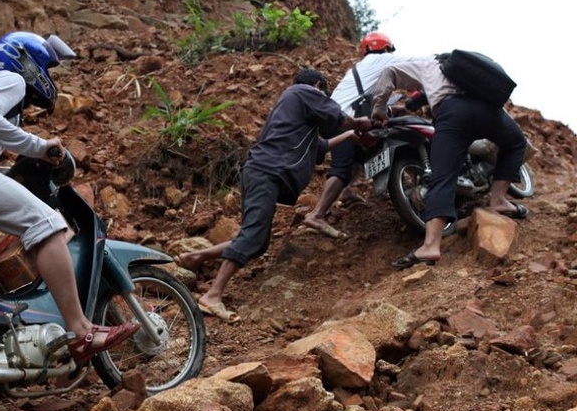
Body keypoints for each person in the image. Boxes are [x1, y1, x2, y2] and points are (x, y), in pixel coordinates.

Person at [0, 31, 139, 363]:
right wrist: (39, 147)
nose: (50, 76)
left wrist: (13, 172)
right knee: (45, 223)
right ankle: (80, 329)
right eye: (48, 67)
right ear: (29, 63)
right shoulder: (10, 80)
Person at [176, 68, 372, 322]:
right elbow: (337, 116)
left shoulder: (297, 115)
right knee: (252, 237)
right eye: (324, 91)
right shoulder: (304, 91)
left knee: (257, 241)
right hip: (266, 172)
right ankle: (212, 295)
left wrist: (347, 136)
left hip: (261, 171)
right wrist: (358, 123)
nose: (324, 96)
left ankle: (195, 257)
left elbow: (320, 146)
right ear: (317, 84)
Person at [368, 54, 528, 269]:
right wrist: (413, 103)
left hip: (452, 113)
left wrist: (378, 109)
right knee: (517, 143)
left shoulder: (427, 64)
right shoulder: (463, 68)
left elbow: (390, 73)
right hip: (489, 110)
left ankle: (431, 245)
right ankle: (499, 199)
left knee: (442, 177)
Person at [302, 32, 418, 238]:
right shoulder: (378, 60)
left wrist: (391, 110)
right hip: (344, 118)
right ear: (386, 49)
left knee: (358, 155)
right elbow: (414, 63)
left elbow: (369, 102)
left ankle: (346, 193)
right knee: (342, 166)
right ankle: (317, 214)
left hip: (338, 117)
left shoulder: (364, 69)